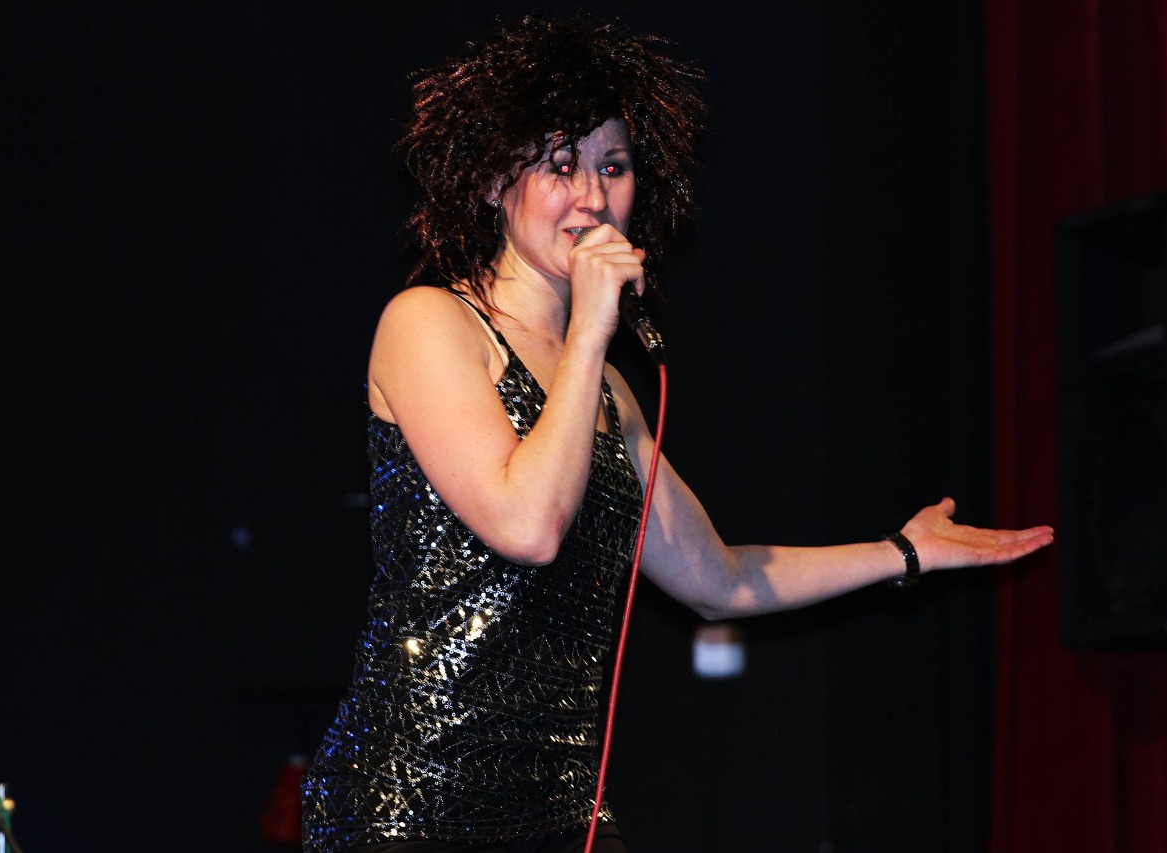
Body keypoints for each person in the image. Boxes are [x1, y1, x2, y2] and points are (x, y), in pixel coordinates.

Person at [299, 11, 1054, 853]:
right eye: (561, 165)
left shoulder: (607, 393)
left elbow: (719, 578)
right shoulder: (430, 323)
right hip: (411, 802)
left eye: (613, 167)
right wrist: (591, 332)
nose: (593, 197)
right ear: (490, 181)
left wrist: (903, 551)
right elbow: (527, 525)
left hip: (562, 806)